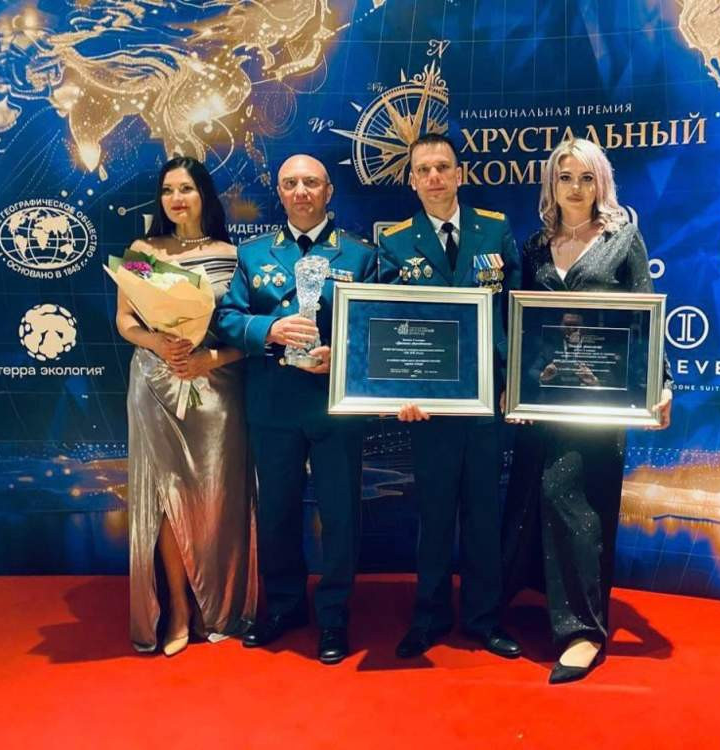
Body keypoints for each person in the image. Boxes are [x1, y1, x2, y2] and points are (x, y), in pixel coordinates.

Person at [501, 138, 674, 683]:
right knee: (532, 495)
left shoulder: (623, 238)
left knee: (575, 499)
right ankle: (536, 602)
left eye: (585, 177)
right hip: (542, 397)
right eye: (565, 177)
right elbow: (522, 326)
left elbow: (646, 313)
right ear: (550, 184)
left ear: (601, 182)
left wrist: (661, 384)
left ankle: (583, 632)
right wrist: (512, 385)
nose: (575, 188)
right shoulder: (534, 246)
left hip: (601, 400)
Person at [215, 154, 376, 665]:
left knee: (340, 516)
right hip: (274, 403)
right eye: (290, 183)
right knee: (277, 512)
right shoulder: (252, 253)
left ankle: (334, 615)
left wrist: (340, 355)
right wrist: (270, 330)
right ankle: (284, 606)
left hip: (334, 404)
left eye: (311, 182)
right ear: (280, 193)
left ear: (329, 191)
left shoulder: (361, 255)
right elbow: (226, 318)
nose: (301, 191)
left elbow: (379, 325)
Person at [377, 133, 522, 660]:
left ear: (459, 174)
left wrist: (510, 382)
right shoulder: (395, 242)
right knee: (435, 516)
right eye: (424, 170)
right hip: (429, 406)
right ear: (412, 181)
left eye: (443, 167)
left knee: (483, 514)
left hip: (484, 400)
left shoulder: (495, 229)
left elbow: (515, 311)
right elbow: (384, 324)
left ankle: (484, 620)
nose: (434, 177)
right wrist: (400, 390)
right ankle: (429, 618)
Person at [118, 156, 257, 656]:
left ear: (204, 195)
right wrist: (157, 342)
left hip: (217, 389)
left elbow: (246, 331)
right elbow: (125, 321)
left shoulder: (234, 255)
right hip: (157, 383)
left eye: (187, 189)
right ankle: (177, 605)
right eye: (168, 190)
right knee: (166, 500)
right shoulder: (142, 251)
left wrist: (207, 358)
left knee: (216, 498)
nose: (176, 199)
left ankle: (213, 601)